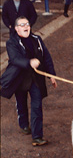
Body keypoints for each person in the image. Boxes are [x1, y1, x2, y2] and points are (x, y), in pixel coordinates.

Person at [0, 16, 57, 146]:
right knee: (21, 103)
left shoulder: (37, 39)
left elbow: (46, 57)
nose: (26, 26)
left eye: (27, 24)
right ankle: (24, 125)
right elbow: (14, 59)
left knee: (37, 106)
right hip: (19, 78)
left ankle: (37, 136)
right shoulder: (11, 42)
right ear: (16, 29)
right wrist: (29, 62)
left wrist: (51, 75)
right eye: (22, 25)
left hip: (35, 79)